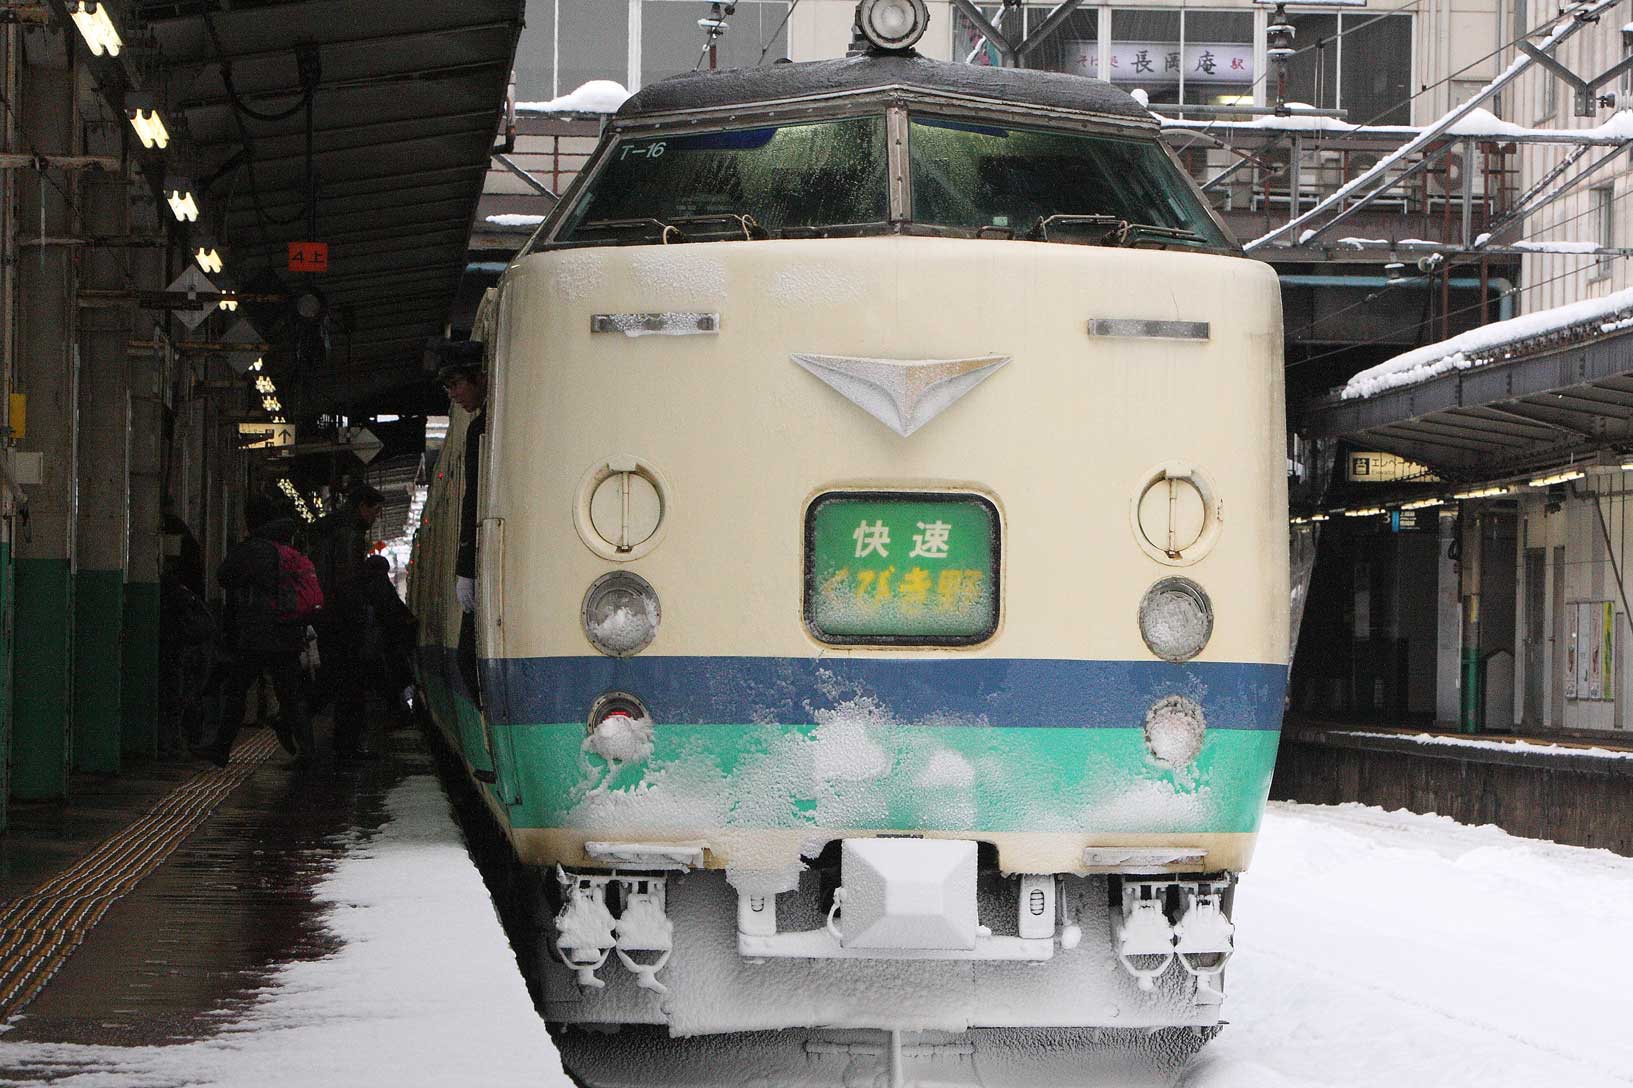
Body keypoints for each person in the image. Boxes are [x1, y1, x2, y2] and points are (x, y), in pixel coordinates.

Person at [191, 496, 321, 768]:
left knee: (237, 690)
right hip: (286, 631)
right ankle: (308, 751)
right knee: (291, 694)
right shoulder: (287, 544)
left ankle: (221, 748)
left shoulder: (253, 548)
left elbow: (224, 575)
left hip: (257, 634)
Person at [440, 343, 488, 707]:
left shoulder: (482, 432)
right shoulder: (481, 427)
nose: (454, 394)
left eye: (457, 384)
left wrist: (465, 569)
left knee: (466, 658)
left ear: (480, 377)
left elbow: (474, 502)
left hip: (485, 567)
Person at [330, 554, 417, 750]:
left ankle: (349, 745)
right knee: (379, 690)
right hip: (374, 653)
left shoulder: (352, 587)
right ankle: (354, 744)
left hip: (353, 653)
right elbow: (396, 615)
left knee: (354, 698)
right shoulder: (380, 588)